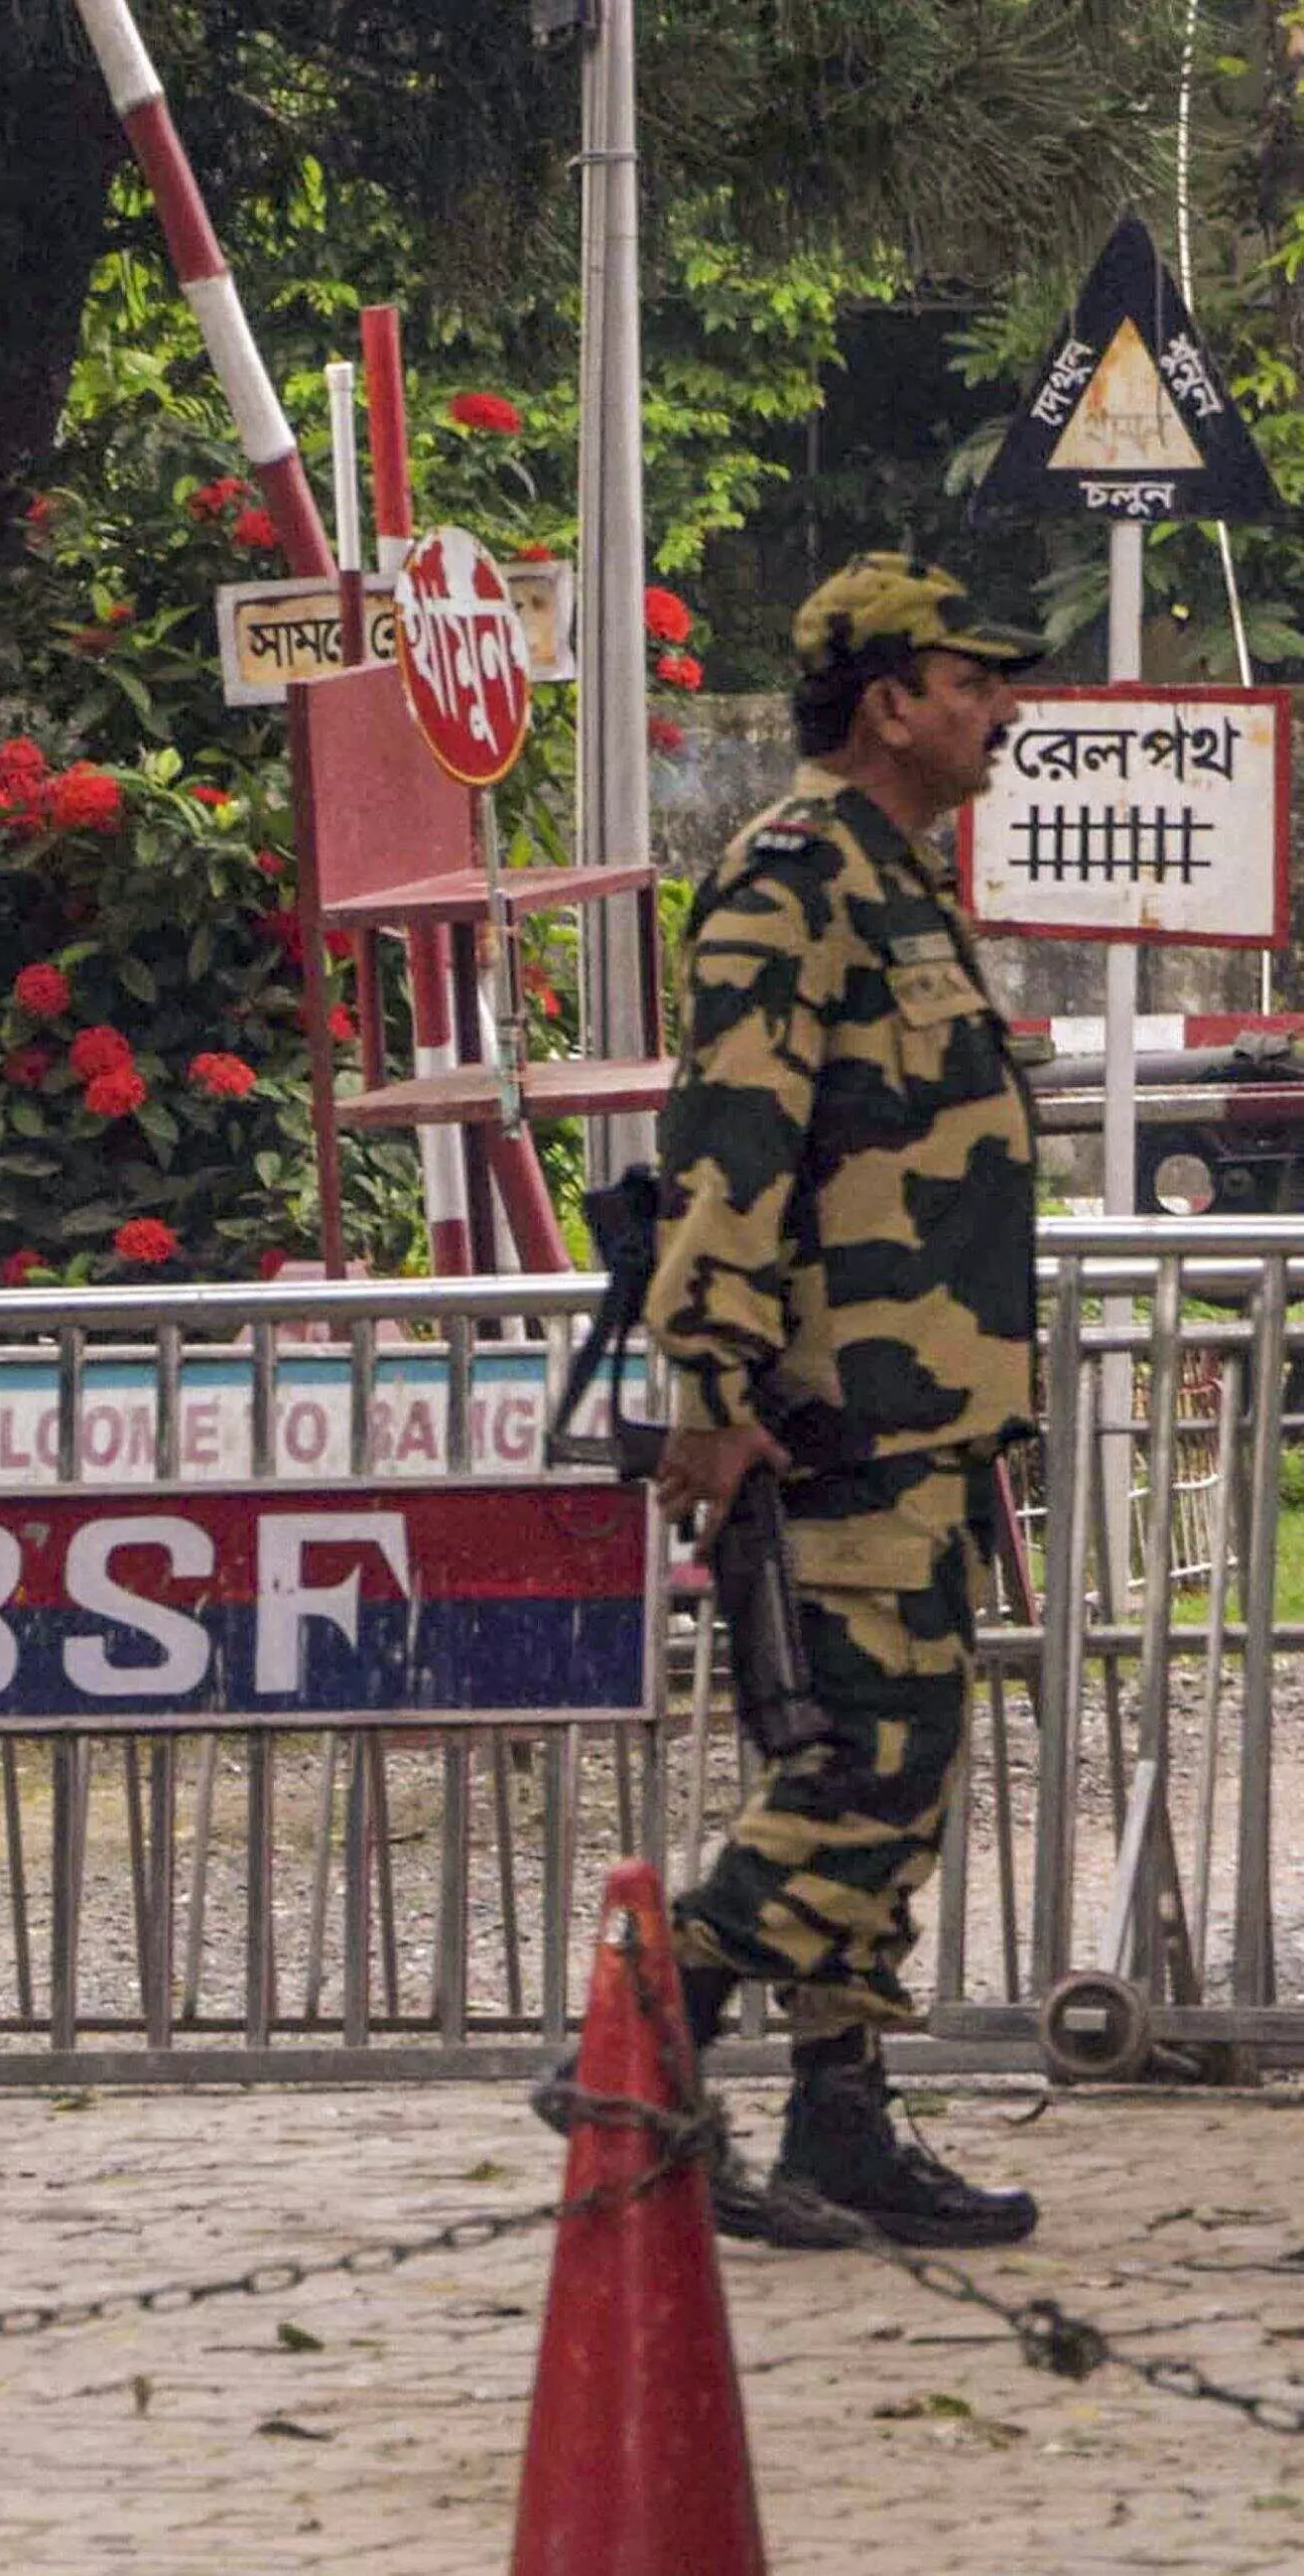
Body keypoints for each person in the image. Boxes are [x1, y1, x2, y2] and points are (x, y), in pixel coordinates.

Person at [646, 552, 1047, 2250]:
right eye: (969, 679)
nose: (999, 708)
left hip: (923, 1410)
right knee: (858, 1771)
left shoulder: (894, 878)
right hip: (831, 1411)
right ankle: (641, 2040)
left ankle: (841, 2120)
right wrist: (714, 1383)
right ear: (887, 701)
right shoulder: (796, 880)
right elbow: (731, 1151)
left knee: (907, 1767)